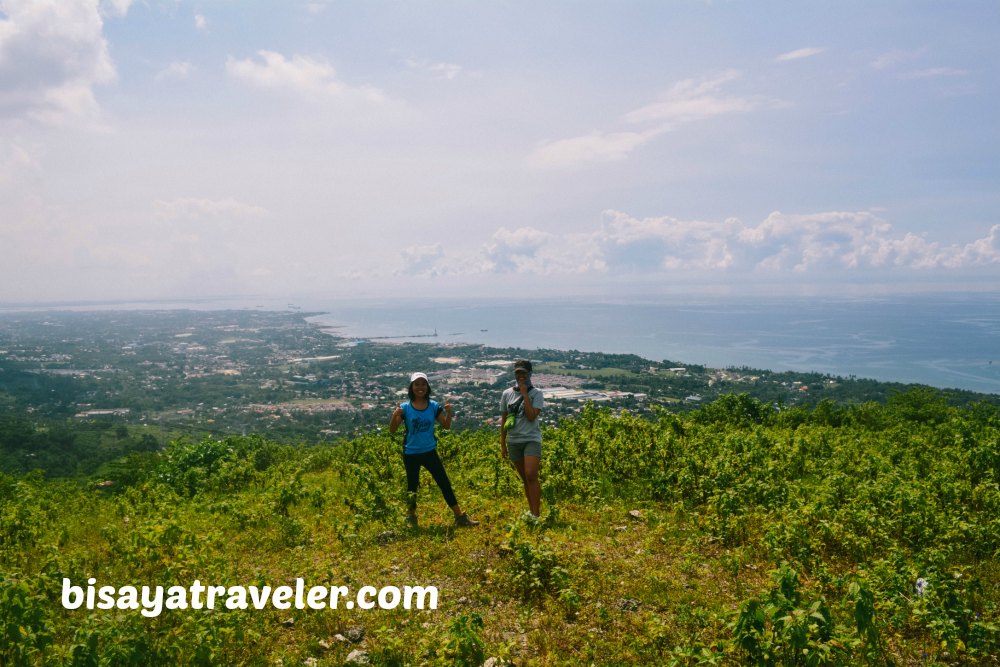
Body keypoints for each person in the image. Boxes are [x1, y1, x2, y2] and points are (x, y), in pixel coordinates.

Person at [389, 372, 478, 528]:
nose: (420, 387)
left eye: (423, 384)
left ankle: (460, 517)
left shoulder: (433, 406)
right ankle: (411, 518)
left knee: (444, 483)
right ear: (412, 387)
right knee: (412, 486)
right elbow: (393, 429)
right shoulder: (404, 408)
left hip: (430, 451)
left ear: (427, 386)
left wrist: (449, 413)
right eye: (417, 384)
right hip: (411, 453)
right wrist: (394, 416)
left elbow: (446, 426)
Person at [500, 359, 544, 519]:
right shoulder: (507, 394)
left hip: (531, 439)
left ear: (530, 374)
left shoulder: (537, 393)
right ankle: (531, 511)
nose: (520, 376)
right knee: (525, 478)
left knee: (531, 474)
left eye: (523, 373)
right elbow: (503, 420)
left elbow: (532, 416)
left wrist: (525, 394)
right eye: (518, 373)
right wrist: (502, 444)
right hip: (513, 441)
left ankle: (536, 514)